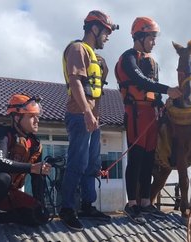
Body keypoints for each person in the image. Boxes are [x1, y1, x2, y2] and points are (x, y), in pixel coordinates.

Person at [115, 16, 182, 224]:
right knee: (135, 159)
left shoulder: (151, 62)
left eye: (154, 38)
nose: (154, 42)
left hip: (151, 115)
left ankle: (146, 203)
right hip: (135, 113)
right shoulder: (128, 58)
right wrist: (168, 89)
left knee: (147, 160)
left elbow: (154, 88)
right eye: (151, 37)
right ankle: (132, 204)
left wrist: (163, 103)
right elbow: (139, 81)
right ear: (140, 36)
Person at [59, 10, 118, 231]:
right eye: (106, 32)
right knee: (78, 162)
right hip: (79, 115)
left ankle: (86, 205)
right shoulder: (77, 49)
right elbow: (75, 82)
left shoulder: (96, 57)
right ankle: (67, 209)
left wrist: (94, 116)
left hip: (93, 118)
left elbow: (96, 91)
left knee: (92, 164)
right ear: (94, 29)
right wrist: (86, 112)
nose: (108, 37)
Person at [0, 94, 51, 238]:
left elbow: (37, 178)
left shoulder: (35, 145)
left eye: (37, 116)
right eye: (32, 116)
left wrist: (39, 204)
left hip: (8, 192)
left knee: (40, 216)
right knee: (2, 177)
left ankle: (0, 218)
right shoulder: (2, 133)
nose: (37, 120)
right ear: (17, 118)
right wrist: (31, 168)